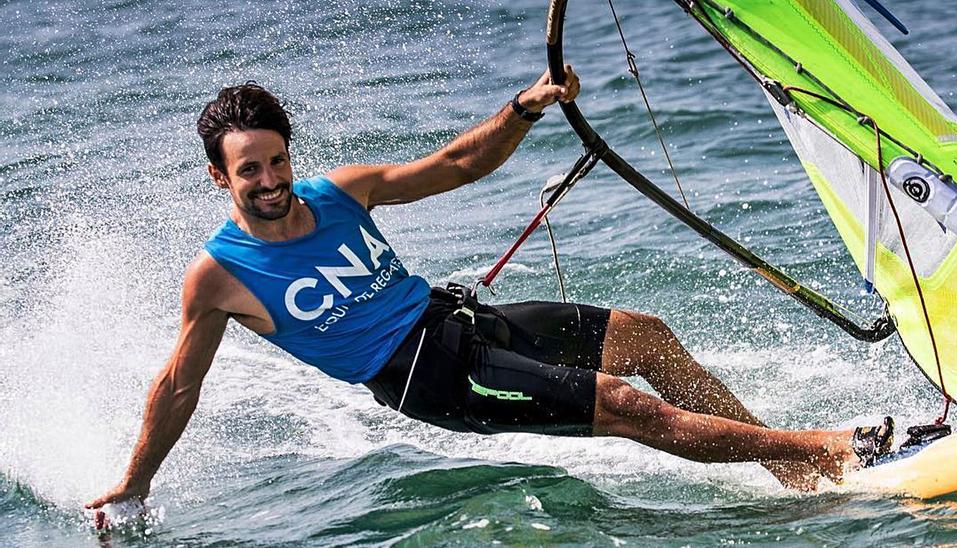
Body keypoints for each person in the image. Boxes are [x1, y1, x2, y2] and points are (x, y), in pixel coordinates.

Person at [86, 67, 892, 514]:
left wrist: (523, 108)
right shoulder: (219, 275)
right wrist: (137, 480)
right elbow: (178, 384)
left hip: (458, 323)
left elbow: (458, 165)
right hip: (425, 377)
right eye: (249, 169)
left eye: (276, 160)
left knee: (646, 334)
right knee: (627, 404)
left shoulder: (340, 192)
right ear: (218, 177)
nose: (269, 181)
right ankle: (829, 450)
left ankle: (785, 466)